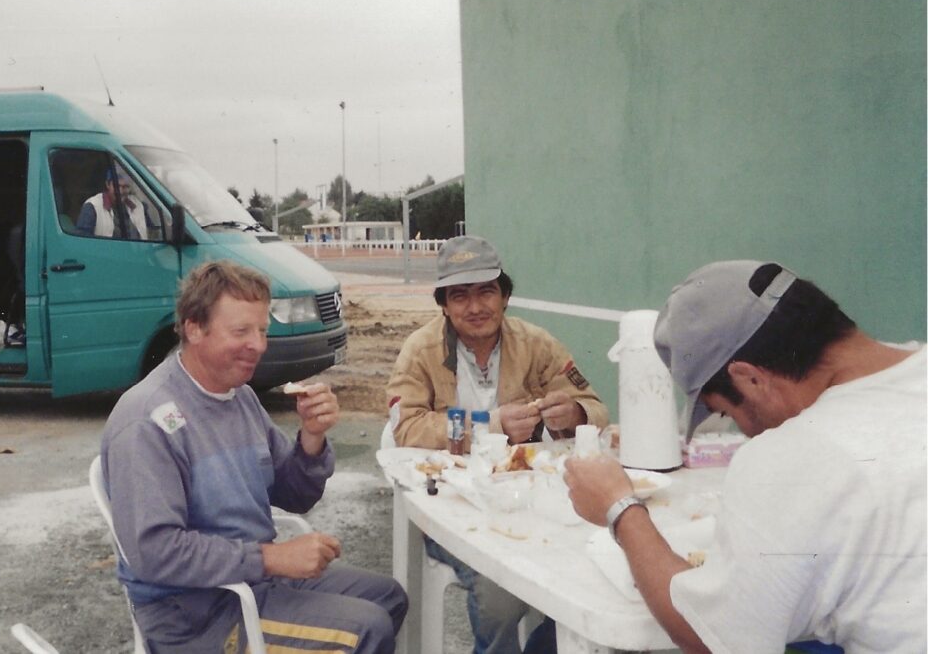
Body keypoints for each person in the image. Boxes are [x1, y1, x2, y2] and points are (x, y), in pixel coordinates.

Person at [564, 260, 926, 654]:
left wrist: (620, 509)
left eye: (727, 413)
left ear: (750, 378)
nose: (748, 431)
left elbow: (710, 638)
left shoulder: (792, 455)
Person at [101, 260, 407, 653]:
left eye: (262, 330)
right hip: (194, 614)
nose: (259, 345)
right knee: (368, 629)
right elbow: (155, 553)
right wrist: (270, 558)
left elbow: (294, 495)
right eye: (241, 331)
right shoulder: (148, 420)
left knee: (389, 596)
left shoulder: (239, 396)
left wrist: (311, 438)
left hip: (252, 580)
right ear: (194, 327)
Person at [386, 235, 609, 654]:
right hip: (452, 508)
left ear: (505, 295)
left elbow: (594, 408)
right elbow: (406, 427)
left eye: (487, 291)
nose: (476, 307)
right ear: (444, 305)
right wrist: (490, 424)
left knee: (589, 570)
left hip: (530, 502)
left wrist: (574, 414)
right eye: (460, 296)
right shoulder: (420, 350)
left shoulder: (536, 343)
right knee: (500, 598)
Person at [76, 167, 150, 239]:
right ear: (108, 185)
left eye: (125, 187)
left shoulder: (138, 205)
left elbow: (153, 232)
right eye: (117, 186)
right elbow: (83, 241)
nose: (120, 191)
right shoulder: (93, 206)